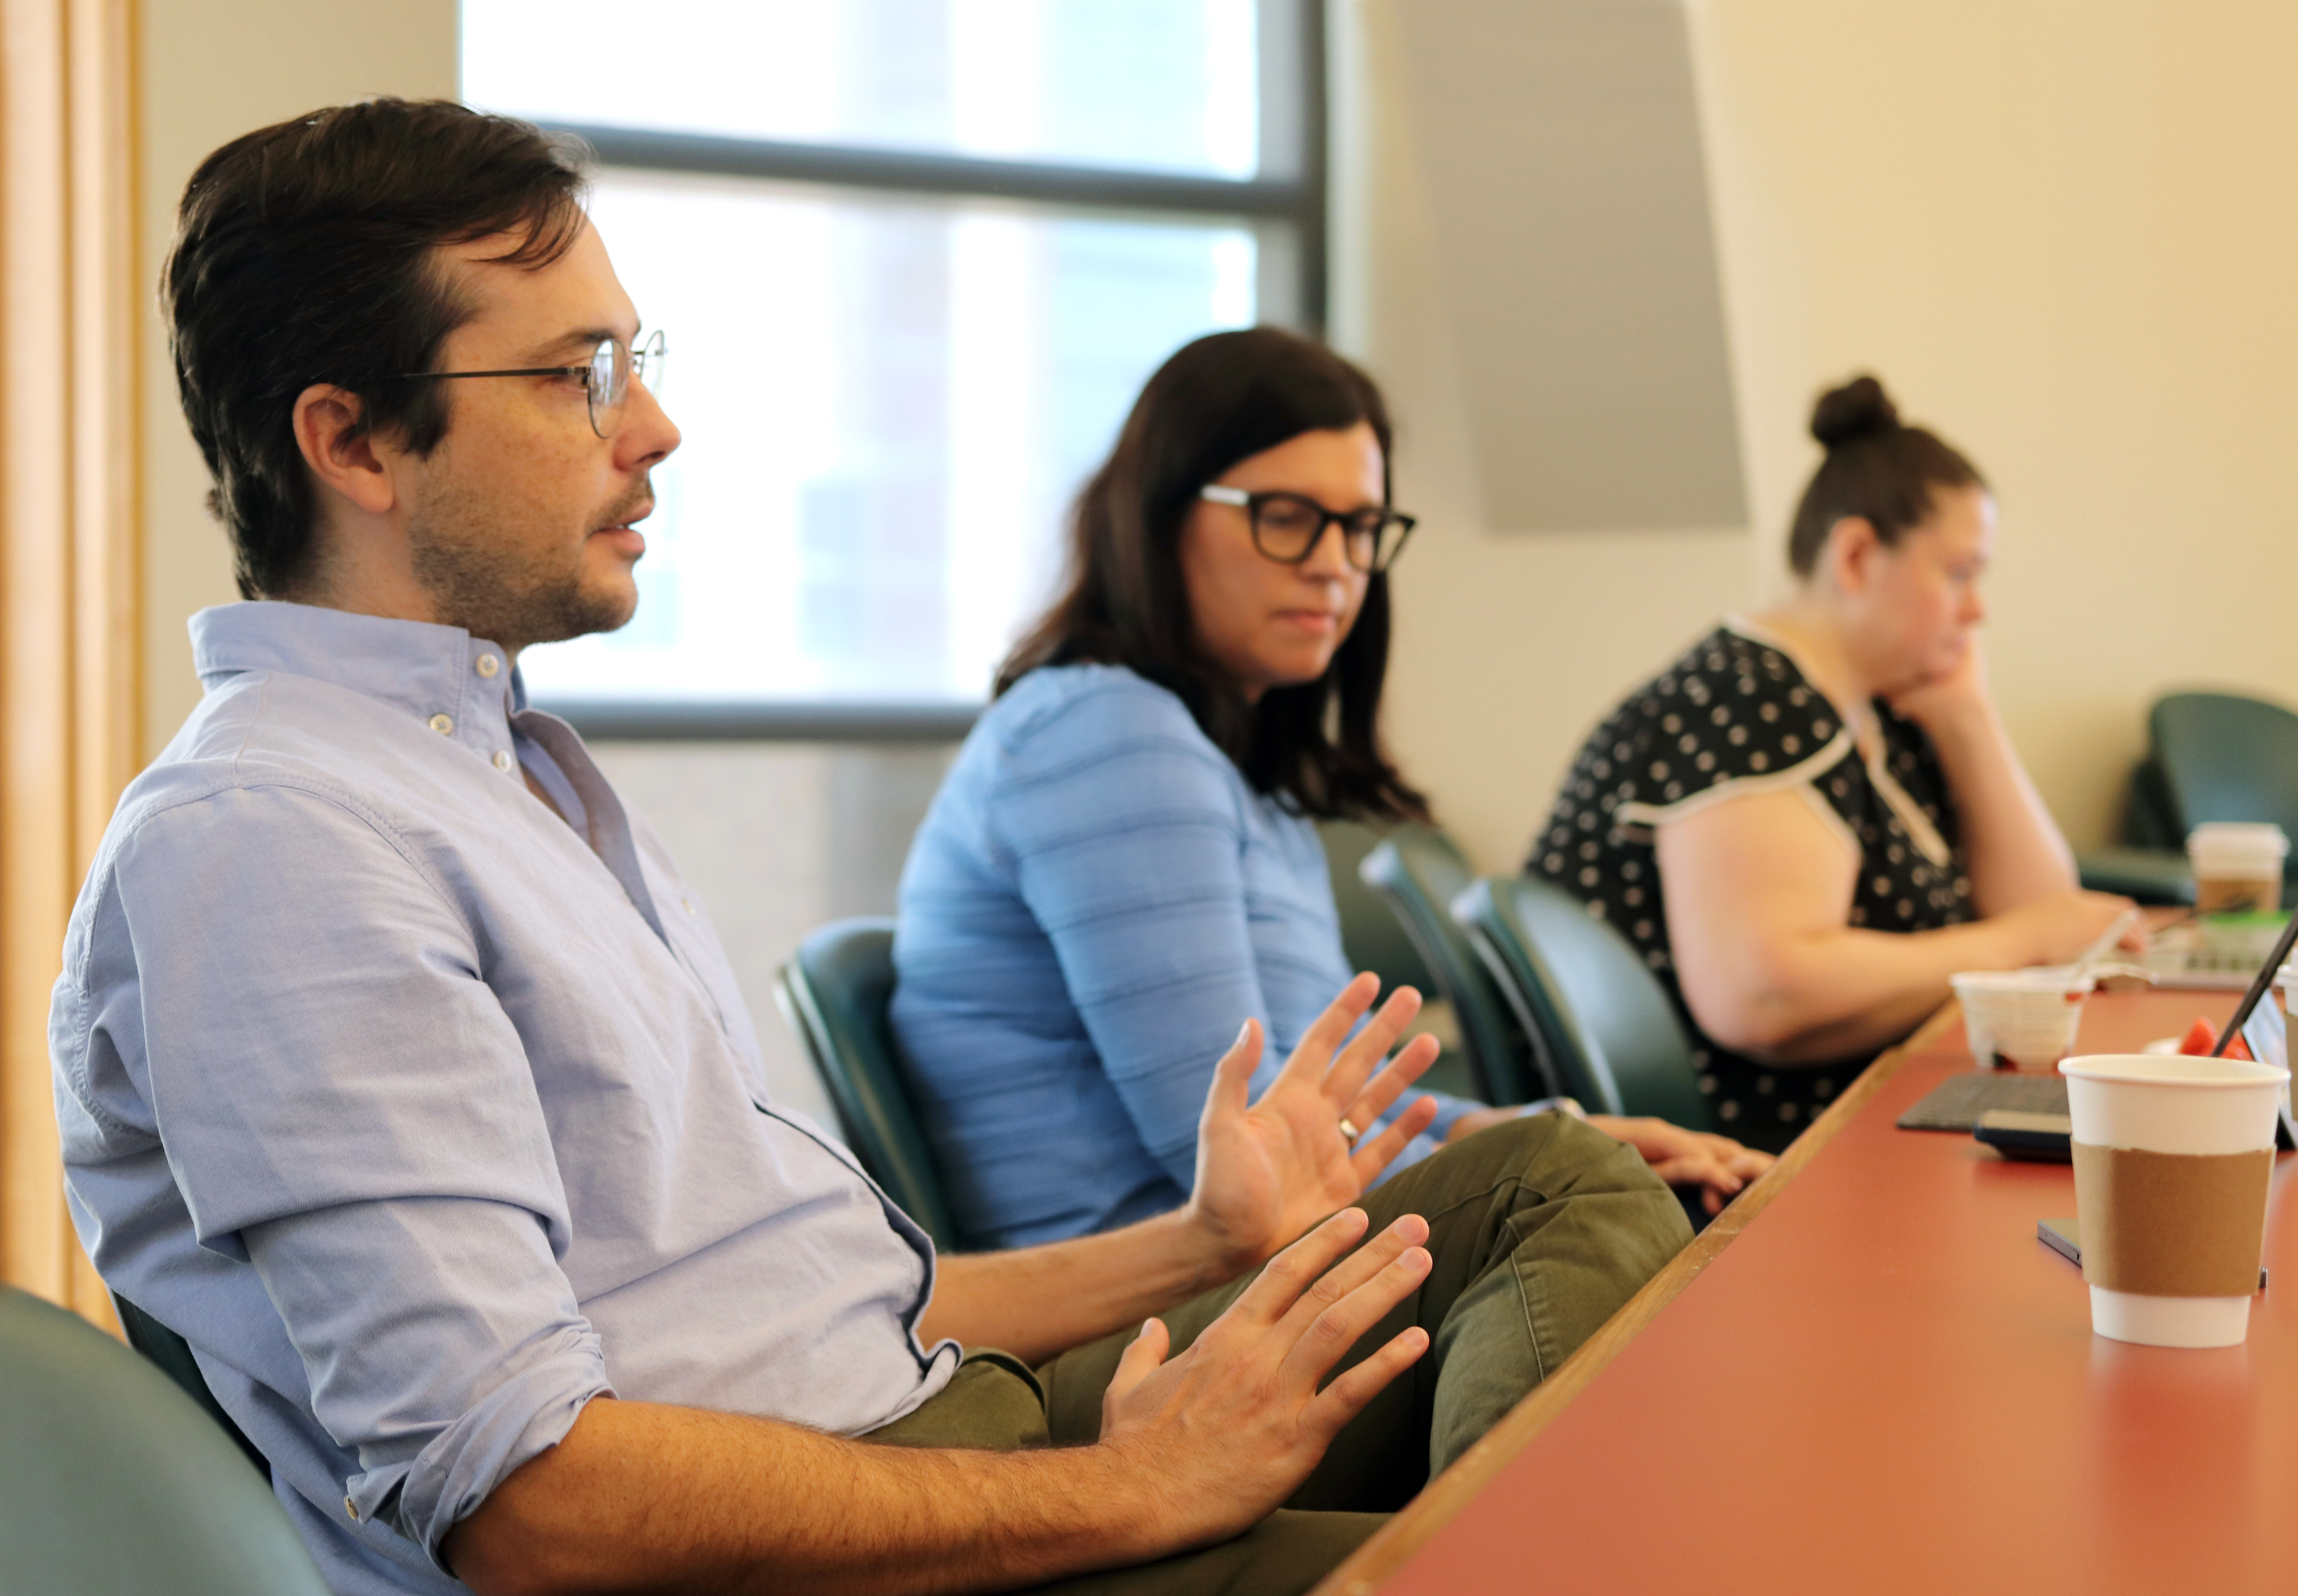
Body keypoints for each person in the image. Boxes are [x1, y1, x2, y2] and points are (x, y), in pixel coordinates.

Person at [51, 100, 1692, 1596]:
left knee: (1549, 1181)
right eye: (578, 377)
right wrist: (1138, 1488)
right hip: (808, 1530)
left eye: (638, 358)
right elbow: (527, 1500)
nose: (658, 429)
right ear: (353, 444)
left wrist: (1204, 1244)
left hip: (924, 1419)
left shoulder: (507, 771)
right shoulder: (274, 840)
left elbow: (824, 1309)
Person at [892, 327, 1769, 1252]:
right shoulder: (1110, 733)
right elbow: (1246, 1160)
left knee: (1620, 1184)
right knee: (1630, 1215)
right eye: (1285, 514)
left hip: (1251, 1274)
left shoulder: (1233, 775)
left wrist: (1528, 1132)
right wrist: (1546, 1163)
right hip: (1155, 1311)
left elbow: (1331, 1111)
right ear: (1157, 516)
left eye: (1359, 526)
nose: (1333, 562)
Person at [1530, 375, 2133, 1153]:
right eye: (1959, 573)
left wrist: (1968, 718)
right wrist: (2015, 941)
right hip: (1743, 1159)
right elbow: (1762, 993)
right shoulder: (1748, 702)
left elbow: (2054, 917)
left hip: (1868, 1120)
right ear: (1856, 555)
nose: (1978, 608)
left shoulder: (1877, 702)